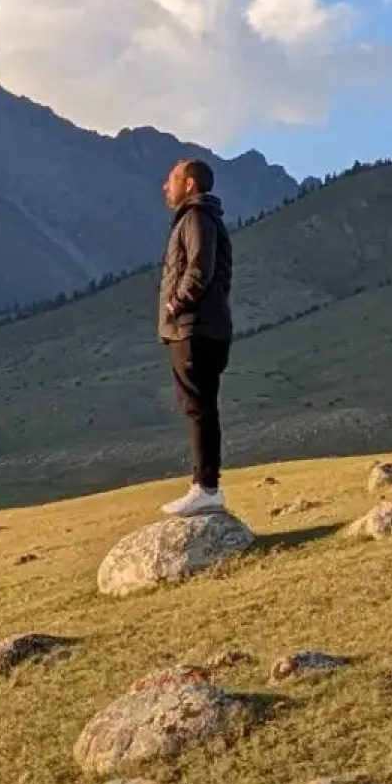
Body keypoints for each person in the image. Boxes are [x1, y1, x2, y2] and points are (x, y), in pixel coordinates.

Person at [156, 157, 234, 516]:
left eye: (171, 179)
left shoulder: (195, 218)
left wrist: (176, 304)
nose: (165, 187)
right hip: (205, 326)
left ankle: (205, 487)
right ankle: (205, 486)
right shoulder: (206, 218)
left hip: (194, 328)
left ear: (189, 184)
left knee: (198, 408)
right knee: (200, 407)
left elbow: (200, 268)